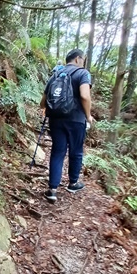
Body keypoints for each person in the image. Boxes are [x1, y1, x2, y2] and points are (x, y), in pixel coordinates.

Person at [40, 49, 93, 203]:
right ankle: (73, 183)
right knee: (76, 151)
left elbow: (43, 102)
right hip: (76, 119)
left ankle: (52, 190)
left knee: (57, 152)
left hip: (56, 119)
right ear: (77, 59)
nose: (83, 62)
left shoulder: (56, 74)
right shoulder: (83, 74)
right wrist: (88, 116)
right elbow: (85, 95)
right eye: (82, 59)